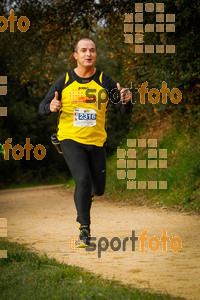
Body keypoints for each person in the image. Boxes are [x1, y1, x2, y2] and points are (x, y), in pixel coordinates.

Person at [39, 38, 132, 247]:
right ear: (76, 55)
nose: (88, 54)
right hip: (71, 139)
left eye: (92, 50)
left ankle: (86, 199)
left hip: (96, 141)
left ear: (95, 54)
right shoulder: (63, 81)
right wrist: (51, 106)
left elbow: (122, 110)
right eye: (83, 50)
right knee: (82, 180)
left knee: (97, 189)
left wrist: (127, 101)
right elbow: (43, 106)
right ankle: (84, 230)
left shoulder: (105, 81)